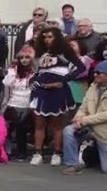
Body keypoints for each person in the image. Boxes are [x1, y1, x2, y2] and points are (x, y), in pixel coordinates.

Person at [62, 61, 107, 175]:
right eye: (95, 72)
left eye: (99, 73)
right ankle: (72, 164)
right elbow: (84, 107)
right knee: (69, 130)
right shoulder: (93, 87)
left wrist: (84, 120)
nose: (95, 75)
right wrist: (78, 118)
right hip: (93, 130)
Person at [30, 26, 83, 165]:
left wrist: (63, 81)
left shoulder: (65, 51)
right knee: (39, 123)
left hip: (58, 91)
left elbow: (81, 68)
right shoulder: (40, 52)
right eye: (45, 37)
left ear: (57, 37)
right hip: (41, 90)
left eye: (50, 36)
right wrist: (32, 81)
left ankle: (57, 153)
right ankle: (37, 153)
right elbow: (36, 71)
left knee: (57, 124)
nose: (47, 40)